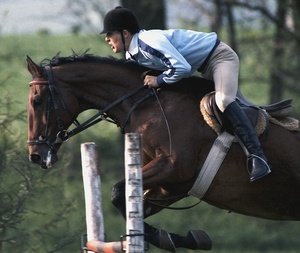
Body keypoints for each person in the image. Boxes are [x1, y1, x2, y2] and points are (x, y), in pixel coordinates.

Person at [101, 6, 271, 182]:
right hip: (202, 68)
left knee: (223, 100)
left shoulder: (148, 43)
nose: (107, 39)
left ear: (125, 33)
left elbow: (182, 68)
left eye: (110, 34)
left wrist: (158, 81)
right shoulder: (132, 55)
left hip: (219, 57)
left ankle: (258, 157)